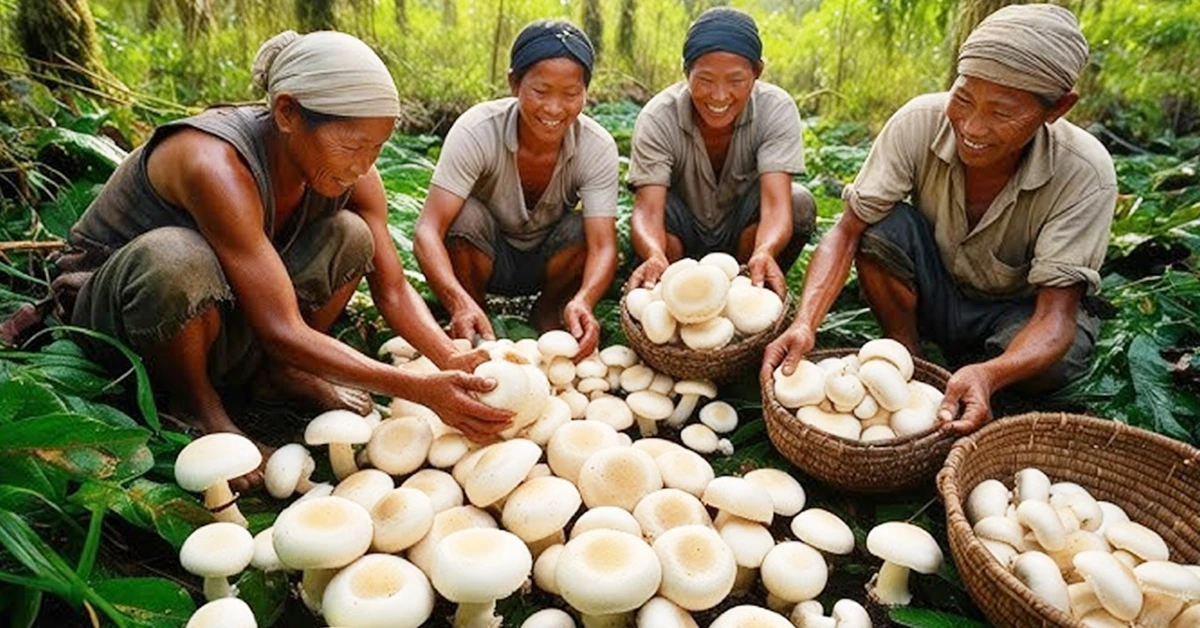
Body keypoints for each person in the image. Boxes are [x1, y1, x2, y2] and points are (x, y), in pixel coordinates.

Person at [53, 31, 511, 458]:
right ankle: (195, 404)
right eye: (352, 147)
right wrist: (414, 389)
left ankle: (281, 373)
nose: (363, 166)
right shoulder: (213, 162)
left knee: (353, 235)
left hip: (230, 299)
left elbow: (391, 289)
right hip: (122, 314)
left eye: (376, 149)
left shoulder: (353, 172)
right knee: (176, 256)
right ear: (288, 113)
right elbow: (279, 326)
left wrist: (451, 358)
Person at [763, 4, 1116, 433]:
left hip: (1017, 311)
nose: (972, 126)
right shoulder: (918, 123)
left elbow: (1054, 317)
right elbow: (846, 232)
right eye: (963, 98)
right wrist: (804, 323)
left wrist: (991, 374)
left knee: (1055, 365)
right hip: (937, 288)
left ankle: (981, 371)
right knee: (879, 228)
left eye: (1002, 113)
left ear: (1057, 108)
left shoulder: (1084, 171)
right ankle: (909, 355)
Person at [414, 20, 619, 358]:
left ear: (585, 91)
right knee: (462, 217)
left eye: (570, 94)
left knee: (586, 229)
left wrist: (584, 300)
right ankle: (474, 315)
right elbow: (427, 230)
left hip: (546, 260)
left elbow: (603, 245)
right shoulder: (477, 129)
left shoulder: (596, 146)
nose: (554, 108)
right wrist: (457, 300)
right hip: (484, 255)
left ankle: (550, 310)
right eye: (540, 92)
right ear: (514, 83)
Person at [627, 7, 815, 297]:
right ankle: (671, 288)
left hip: (742, 231)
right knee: (661, 221)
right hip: (682, 233)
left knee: (798, 202)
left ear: (757, 73)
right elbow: (648, 209)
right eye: (704, 80)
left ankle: (750, 283)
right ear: (686, 72)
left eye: (736, 81)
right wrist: (653, 253)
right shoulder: (658, 117)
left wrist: (765, 250)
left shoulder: (775, 109)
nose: (719, 95)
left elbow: (777, 204)